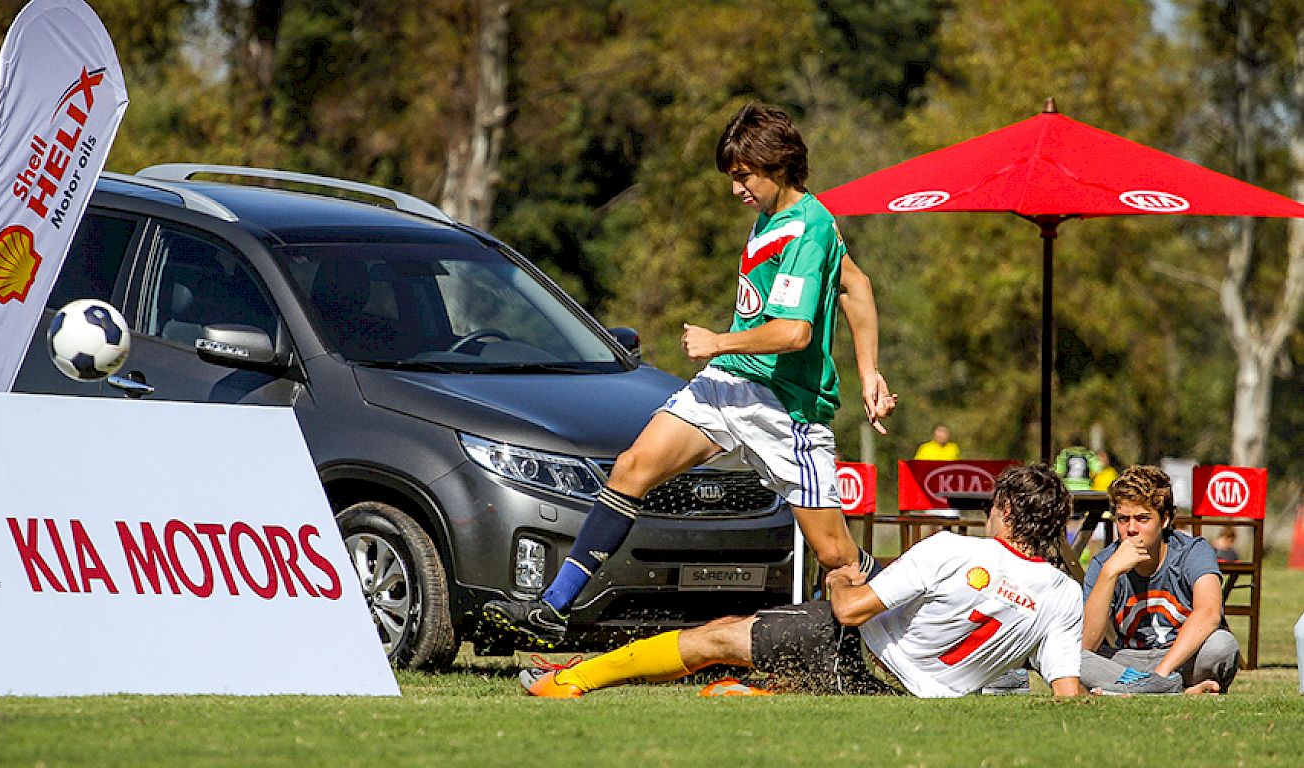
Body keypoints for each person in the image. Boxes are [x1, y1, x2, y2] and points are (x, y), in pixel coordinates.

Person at [482, 102, 897, 647]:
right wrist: (870, 372)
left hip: (784, 410)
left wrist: (717, 341)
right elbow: (855, 285)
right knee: (632, 468)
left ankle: (926, 622)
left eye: (743, 177)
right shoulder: (775, 217)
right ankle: (552, 609)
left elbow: (794, 332)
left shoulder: (809, 229)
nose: (736, 190)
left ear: (775, 164)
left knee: (838, 559)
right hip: (728, 385)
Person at [519, 464, 1091, 698]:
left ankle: (571, 682)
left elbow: (851, 612)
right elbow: (1066, 691)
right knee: (775, 672)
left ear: (1008, 515)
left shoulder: (951, 548)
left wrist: (839, 577)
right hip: (902, 696)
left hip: (854, 648)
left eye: (994, 505)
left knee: (719, 635)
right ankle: (747, 696)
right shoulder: (1064, 594)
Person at [1080, 464, 1239, 693]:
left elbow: (1209, 613)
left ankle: (1142, 689)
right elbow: (1087, 644)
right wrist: (1109, 573)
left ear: (1164, 520)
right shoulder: (1104, 563)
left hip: (1182, 658)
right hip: (1128, 662)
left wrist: (1160, 674)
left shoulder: (1193, 551)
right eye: (1123, 519)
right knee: (1065, 655)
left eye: (1143, 519)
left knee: (1222, 645)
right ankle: (1170, 691)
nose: (1131, 529)